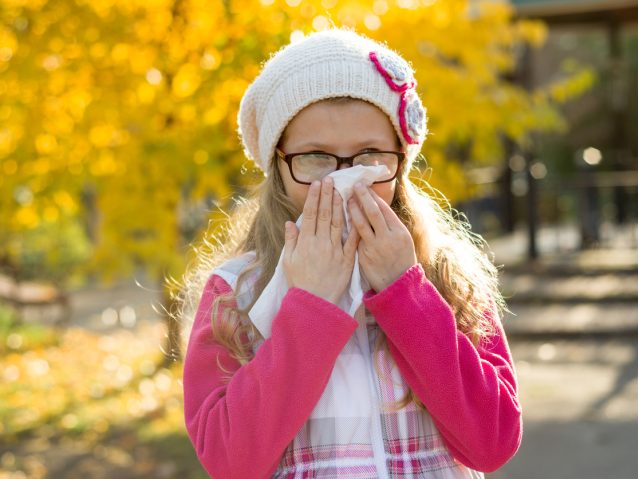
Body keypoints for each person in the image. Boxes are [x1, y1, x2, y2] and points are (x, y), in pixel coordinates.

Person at [180, 28, 522, 479]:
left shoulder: (442, 275)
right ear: (278, 165)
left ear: (400, 159)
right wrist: (311, 306)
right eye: (315, 158)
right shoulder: (235, 291)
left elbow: (493, 442)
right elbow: (230, 462)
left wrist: (406, 294)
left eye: (369, 157)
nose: (343, 181)